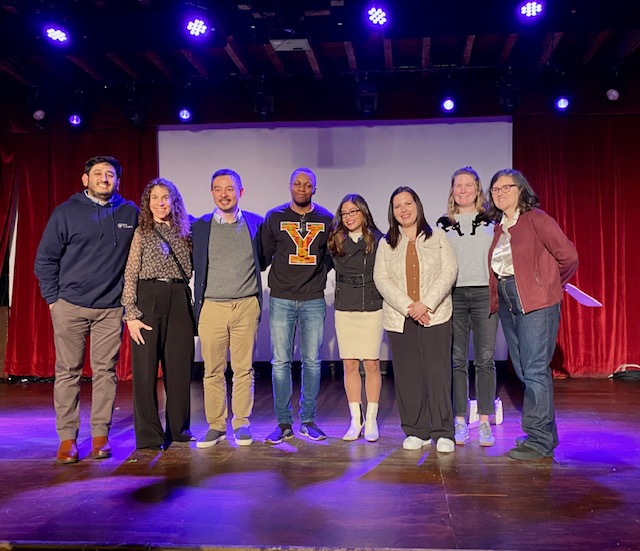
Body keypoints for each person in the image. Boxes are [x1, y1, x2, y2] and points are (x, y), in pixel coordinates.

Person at [34, 155, 138, 464]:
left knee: (105, 373)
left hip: (110, 308)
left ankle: (100, 436)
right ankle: (68, 439)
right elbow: (45, 259)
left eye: (110, 174)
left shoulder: (129, 212)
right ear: (85, 179)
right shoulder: (65, 213)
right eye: (97, 174)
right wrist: (54, 301)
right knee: (68, 372)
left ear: (117, 180)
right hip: (70, 306)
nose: (104, 179)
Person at [487, 169, 578, 461]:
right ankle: (544, 435)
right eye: (495, 190)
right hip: (508, 299)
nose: (500, 193)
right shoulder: (500, 227)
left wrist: (548, 285)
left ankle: (539, 441)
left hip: (536, 301)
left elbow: (569, 257)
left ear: (521, 189)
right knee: (525, 369)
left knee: (536, 369)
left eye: (506, 188)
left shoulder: (537, 219)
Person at [374, 187, 458, 453]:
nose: (404, 209)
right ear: (392, 212)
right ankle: (415, 430)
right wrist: (410, 307)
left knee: (438, 373)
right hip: (401, 317)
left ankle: (443, 431)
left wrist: (426, 304)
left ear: (417, 206)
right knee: (408, 376)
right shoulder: (386, 243)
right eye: (397, 205)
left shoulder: (439, 237)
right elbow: (381, 279)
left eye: (408, 203)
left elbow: (449, 271)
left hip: (435, 315)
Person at [261, 167, 333, 444]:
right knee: (280, 362)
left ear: (314, 188)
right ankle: (283, 423)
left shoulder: (327, 218)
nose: (302, 188)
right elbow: (266, 254)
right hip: (281, 298)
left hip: (313, 298)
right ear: (290, 186)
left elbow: (330, 256)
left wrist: (316, 275)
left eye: (308, 185)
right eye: (297, 183)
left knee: (312, 362)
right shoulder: (275, 217)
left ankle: (309, 421)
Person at [192, 169, 264, 448]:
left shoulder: (256, 224)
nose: (224, 194)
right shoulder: (200, 227)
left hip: (246, 305)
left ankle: (242, 423)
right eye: (218, 189)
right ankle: (216, 426)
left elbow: (264, 259)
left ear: (241, 192)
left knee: (244, 369)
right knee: (213, 370)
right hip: (212, 307)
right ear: (212, 193)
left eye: (230, 189)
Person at [122, 178, 194, 450]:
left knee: (179, 368)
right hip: (147, 298)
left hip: (178, 298)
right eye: (154, 198)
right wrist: (131, 314)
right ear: (147, 203)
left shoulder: (186, 232)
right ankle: (150, 435)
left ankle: (179, 430)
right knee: (145, 370)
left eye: (165, 197)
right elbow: (130, 274)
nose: (160, 202)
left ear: (174, 201)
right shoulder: (142, 232)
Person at [437, 167, 499, 447]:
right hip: (455, 295)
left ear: (478, 189)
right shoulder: (442, 224)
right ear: (452, 190)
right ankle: (460, 420)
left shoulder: (492, 220)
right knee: (457, 360)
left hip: (485, 293)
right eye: (457, 186)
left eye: (468, 185)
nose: (462, 190)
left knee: (485, 359)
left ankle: (484, 421)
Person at [328, 194, 384, 442]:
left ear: (363, 212)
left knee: (371, 364)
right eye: (345, 213)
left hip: (371, 307)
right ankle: (355, 420)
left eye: (353, 212)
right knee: (349, 364)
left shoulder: (378, 239)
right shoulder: (335, 241)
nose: (349, 217)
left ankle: (371, 419)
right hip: (345, 308)